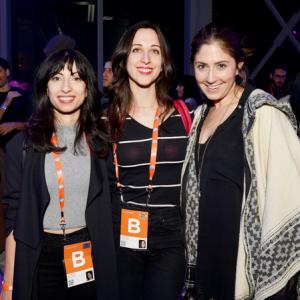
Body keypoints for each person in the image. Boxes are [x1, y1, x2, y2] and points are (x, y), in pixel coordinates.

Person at [181, 24, 300, 300]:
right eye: (201, 67)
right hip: (204, 257)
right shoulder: (199, 116)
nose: (210, 77)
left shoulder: (262, 113)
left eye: (221, 66)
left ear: (239, 66)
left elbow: (291, 197)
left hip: (242, 263)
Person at [0, 49, 118, 300]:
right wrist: (8, 285)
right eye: (56, 78)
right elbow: (14, 220)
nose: (66, 87)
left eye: (76, 78)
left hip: (88, 253)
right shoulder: (21, 145)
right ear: (45, 87)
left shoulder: (101, 143)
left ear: (87, 88)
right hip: (40, 256)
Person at [107, 21, 192, 300]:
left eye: (154, 51)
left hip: (172, 234)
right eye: (137, 50)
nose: (145, 59)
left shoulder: (185, 117)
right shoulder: (106, 121)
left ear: (163, 60)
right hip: (123, 232)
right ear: (124, 58)